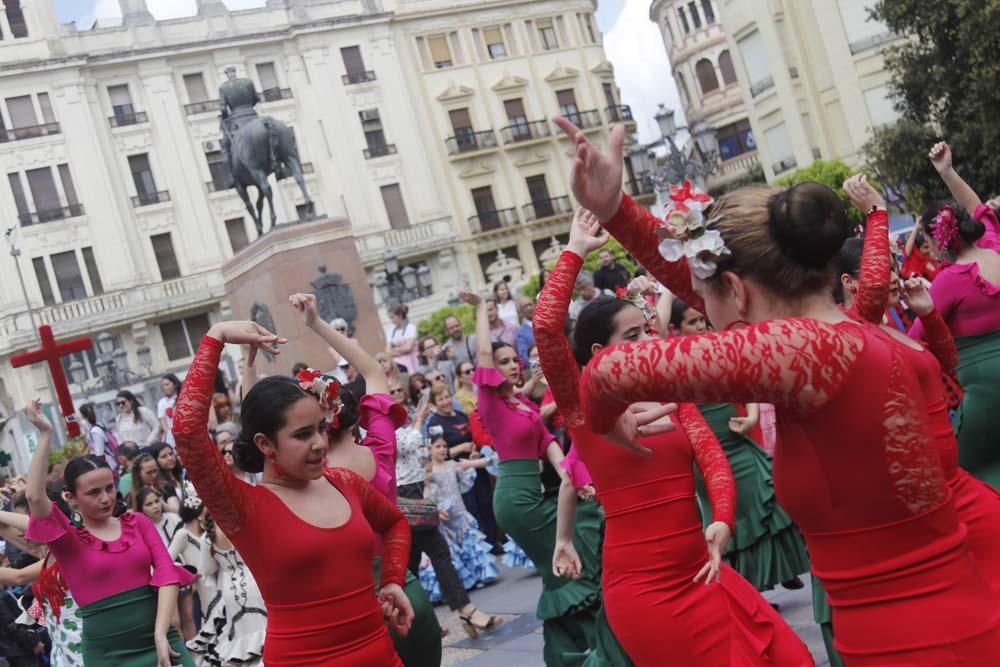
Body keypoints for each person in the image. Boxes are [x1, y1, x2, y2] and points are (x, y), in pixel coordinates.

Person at [556, 113, 1000, 665]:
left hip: (921, 637)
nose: (700, 311)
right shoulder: (849, 330)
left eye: (704, 299)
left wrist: (605, 417)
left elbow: (605, 374)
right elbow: (706, 282)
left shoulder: (807, 351)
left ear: (738, 291)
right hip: (955, 594)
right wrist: (615, 209)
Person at [536, 207, 812, 665]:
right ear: (601, 355)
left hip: (705, 573)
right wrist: (575, 251)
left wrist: (722, 519)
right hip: (646, 594)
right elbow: (546, 328)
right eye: (633, 336)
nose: (649, 342)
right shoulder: (581, 412)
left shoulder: (672, 397)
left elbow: (713, 460)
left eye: (648, 330)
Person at [172, 319, 414, 665]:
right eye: (302, 435)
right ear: (265, 444)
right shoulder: (243, 505)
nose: (319, 443)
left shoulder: (345, 482)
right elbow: (187, 432)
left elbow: (394, 524)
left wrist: (392, 580)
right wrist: (216, 338)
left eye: (320, 428)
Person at [460, 287, 606, 666]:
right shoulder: (490, 400)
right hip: (515, 499)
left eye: (515, 360)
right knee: (566, 569)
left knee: (572, 556)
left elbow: (550, 446)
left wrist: (576, 479)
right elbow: (483, 354)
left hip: (536, 493)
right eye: (505, 361)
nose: (513, 365)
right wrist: (479, 309)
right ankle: (589, 647)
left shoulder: (522, 403)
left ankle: (571, 650)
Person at [22, 400, 196, 667]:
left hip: (160, 641)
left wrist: (161, 634)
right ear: (71, 497)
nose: (105, 498)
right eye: (93, 492)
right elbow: (34, 495)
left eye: (109, 488)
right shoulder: (68, 539)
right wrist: (45, 432)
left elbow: (166, 572)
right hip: (107, 656)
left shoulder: (138, 522)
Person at [909, 141, 1000, 486]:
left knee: (960, 479)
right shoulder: (995, 245)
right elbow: (978, 208)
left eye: (929, 245)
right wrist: (947, 171)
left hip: (987, 402)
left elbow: (915, 343)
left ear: (942, 241)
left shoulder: (950, 281)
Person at [387, 377, 501, 640]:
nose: (397, 394)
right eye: (391, 391)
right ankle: (465, 610)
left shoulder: (404, 420)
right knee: (438, 552)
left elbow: (420, 452)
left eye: (398, 389)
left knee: (411, 565)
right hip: (404, 494)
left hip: (415, 489)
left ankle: (418, 623)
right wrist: (419, 420)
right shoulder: (385, 426)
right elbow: (408, 444)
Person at [420, 439, 499, 599]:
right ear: (430, 450)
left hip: (460, 513)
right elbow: (428, 496)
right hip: (444, 518)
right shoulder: (429, 472)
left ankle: (478, 575)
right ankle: (459, 582)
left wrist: (471, 462)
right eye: (438, 447)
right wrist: (434, 503)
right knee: (450, 551)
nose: (442, 449)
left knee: (469, 545)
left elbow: (465, 483)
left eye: (444, 446)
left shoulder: (452, 465)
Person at [425, 384, 498, 550]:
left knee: (486, 503)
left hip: (475, 464)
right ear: (435, 403)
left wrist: (473, 450)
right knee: (471, 508)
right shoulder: (435, 423)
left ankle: (493, 542)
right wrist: (459, 449)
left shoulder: (460, 415)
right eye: (441, 399)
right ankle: (480, 545)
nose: (445, 402)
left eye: (447, 397)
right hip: (456, 471)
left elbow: (474, 436)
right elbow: (437, 451)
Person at [190, 513, 266, 666]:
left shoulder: (208, 537)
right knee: (264, 635)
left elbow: (207, 568)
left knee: (242, 643)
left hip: (230, 592)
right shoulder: (243, 526)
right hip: (255, 584)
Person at [168, 494, 213, 643]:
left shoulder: (206, 533)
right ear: (198, 514)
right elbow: (167, 561)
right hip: (201, 586)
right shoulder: (182, 534)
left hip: (214, 581)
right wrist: (187, 575)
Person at [78, 403, 118, 472]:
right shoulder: (98, 425)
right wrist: (79, 421)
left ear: (83, 416)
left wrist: (97, 466)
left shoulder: (95, 431)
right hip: (108, 463)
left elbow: (99, 452)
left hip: (108, 465)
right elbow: (87, 426)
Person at [385, 304, 420, 374]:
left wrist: (394, 349)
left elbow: (408, 347)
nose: (391, 320)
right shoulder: (390, 331)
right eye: (390, 318)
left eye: (393, 317)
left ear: (400, 315)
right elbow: (387, 351)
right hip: (398, 364)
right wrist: (402, 350)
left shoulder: (410, 328)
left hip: (412, 361)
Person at [158, 374, 182, 447]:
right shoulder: (162, 402)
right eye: (163, 386)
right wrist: (170, 434)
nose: (165, 387)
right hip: (172, 436)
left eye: (167, 384)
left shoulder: (183, 397)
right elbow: (162, 421)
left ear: (175, 384)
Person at [515, 297, 536, 366]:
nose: (529, 308)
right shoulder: (521, 333)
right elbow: (523, 356)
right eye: (525, 306)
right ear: (521, 312)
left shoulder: (547, 321)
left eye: (530, 304)